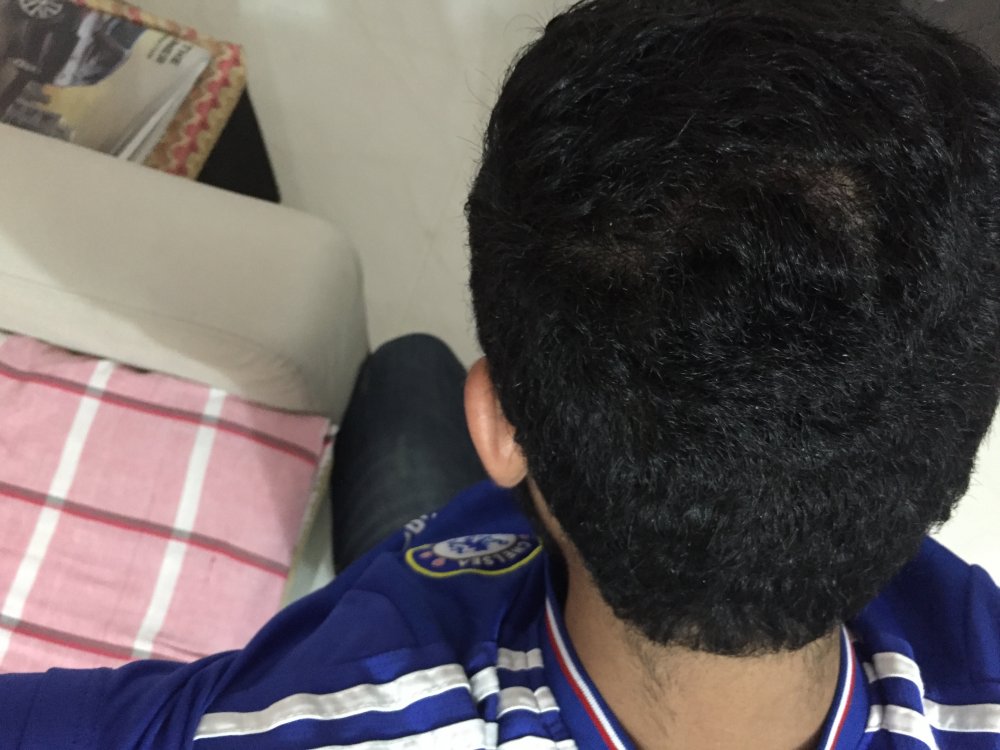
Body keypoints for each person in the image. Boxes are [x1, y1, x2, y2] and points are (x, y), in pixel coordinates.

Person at [2, 0, 1000, 747]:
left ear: (501, 427)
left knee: (407, 367)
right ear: (953, 438)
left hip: (441, 603)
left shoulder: (301, 709)